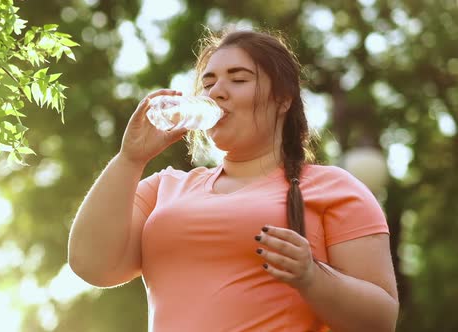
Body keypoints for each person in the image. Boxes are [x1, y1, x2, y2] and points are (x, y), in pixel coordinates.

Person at [68, 28, 399, 332]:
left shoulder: (333, 188)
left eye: (238, 80)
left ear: (283, 99)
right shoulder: (164, 187)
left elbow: (380, 320)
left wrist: (312, 277)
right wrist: (130, 159)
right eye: (208, 83)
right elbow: (91, 265)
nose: (217, 92)